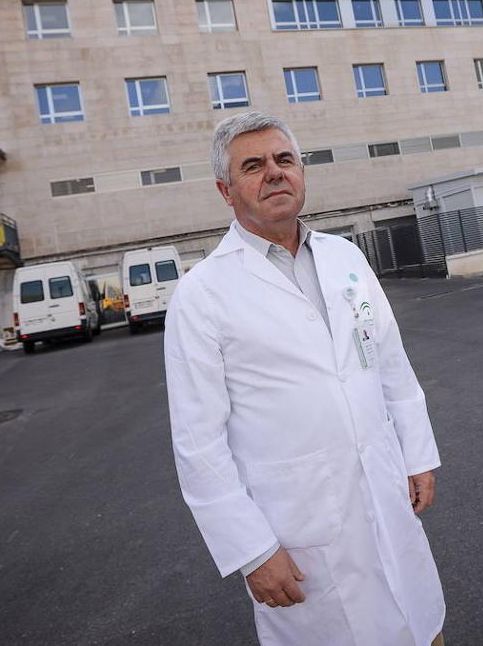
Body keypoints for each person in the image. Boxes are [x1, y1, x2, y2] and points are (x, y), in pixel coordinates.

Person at [164, 111, 446, 646]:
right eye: (253, 165)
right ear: (227, 191)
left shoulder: (346, 258)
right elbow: (198, 442)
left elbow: (390, 363)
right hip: (299, 530)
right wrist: (250, 549)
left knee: (421, 624)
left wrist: (417, 455)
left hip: (383, 491)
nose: (274, 172)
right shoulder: (201, 295)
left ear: (302, 173)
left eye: (284, 159)